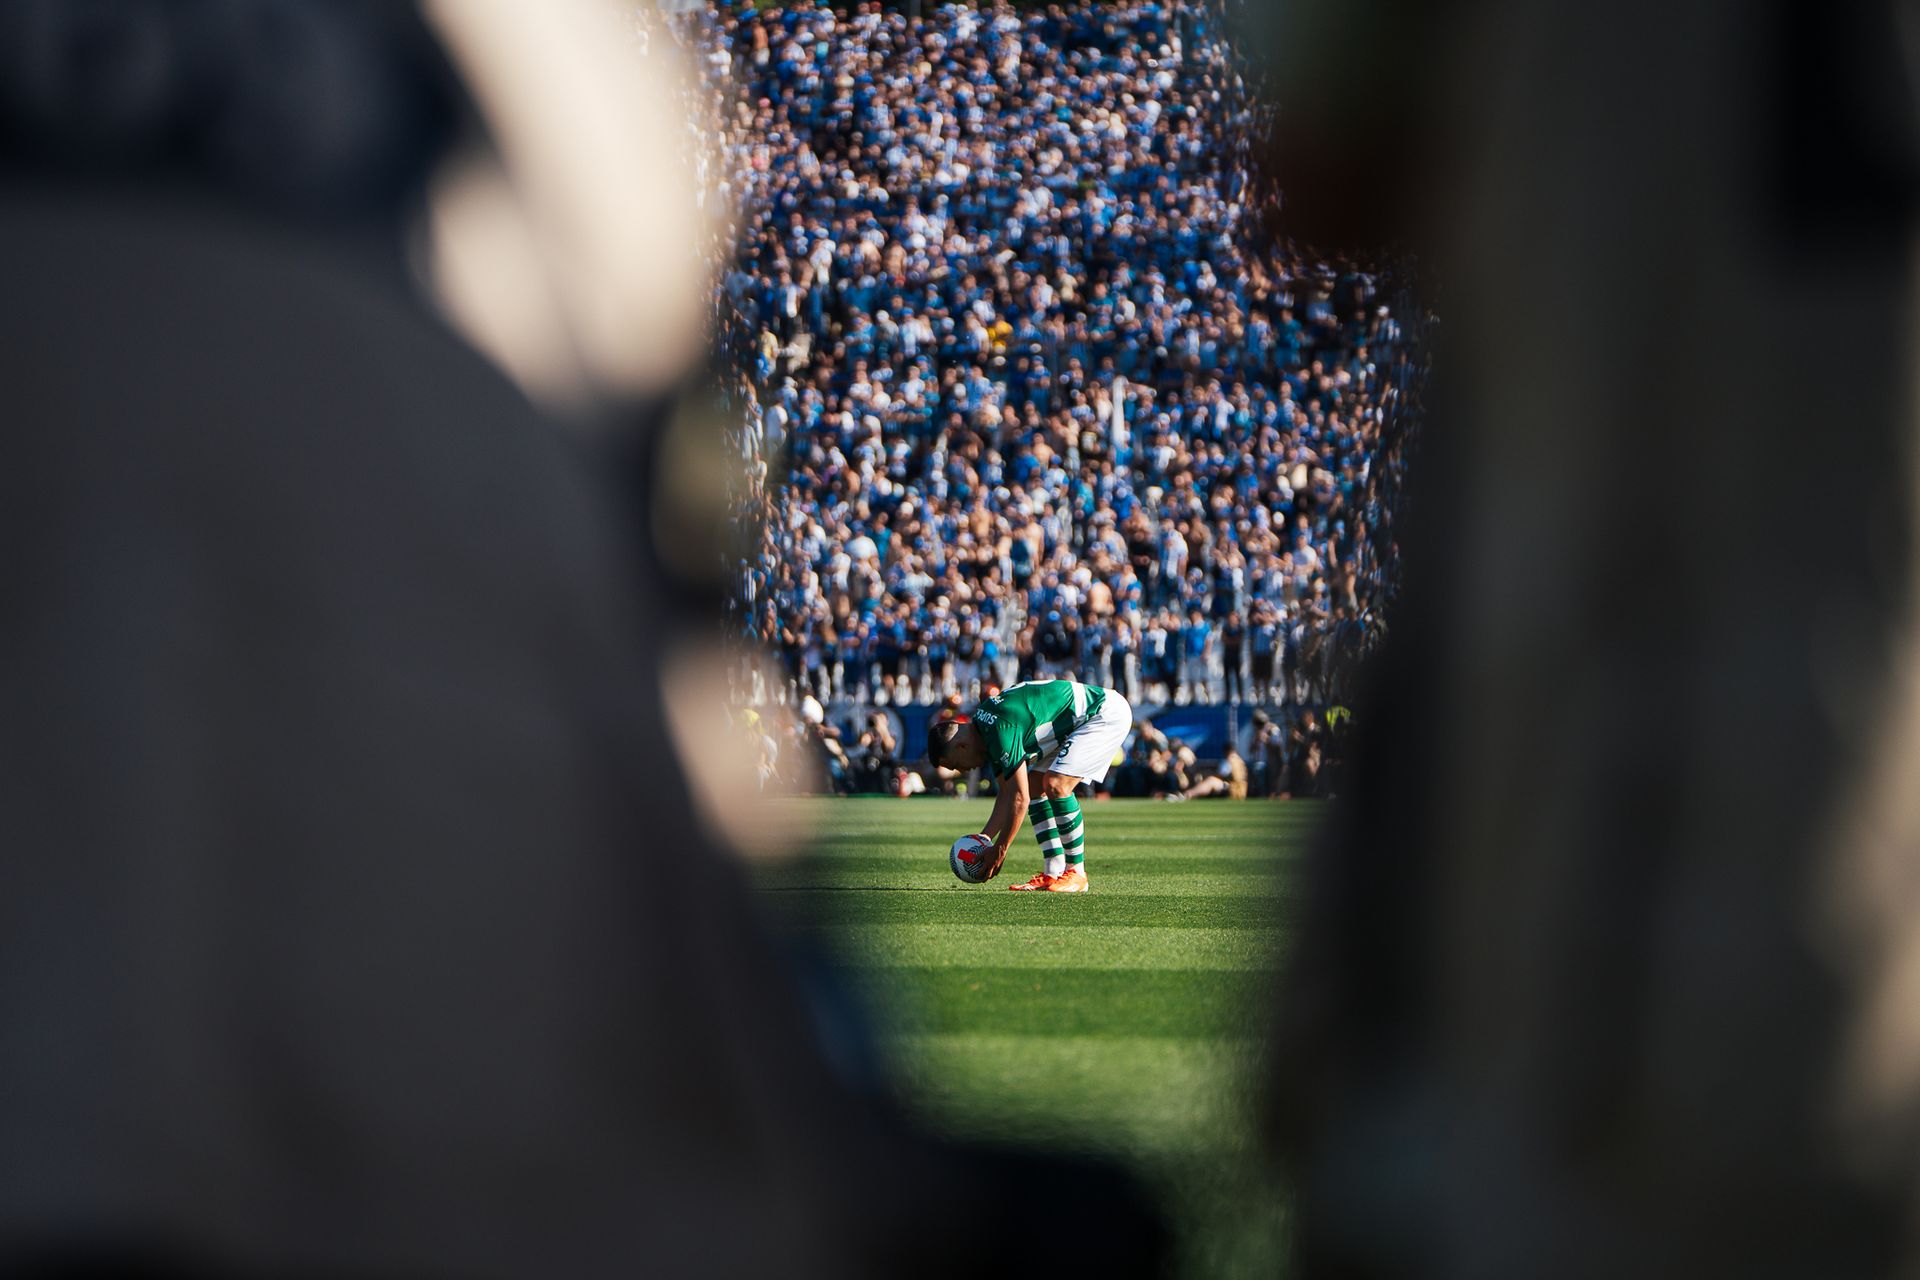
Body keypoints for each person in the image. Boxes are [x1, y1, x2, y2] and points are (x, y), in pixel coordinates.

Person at [925, 678, 1134, 893]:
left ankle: (1077, 873)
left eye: (956, 764)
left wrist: (1000, 849)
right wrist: (984, 838)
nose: (963, 770)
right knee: (1034, 786)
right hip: (1071, 722)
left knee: (1056, 784)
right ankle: (1052, 872)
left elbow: (1019, 799)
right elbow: (1007, 792)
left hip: (1103, 712)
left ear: (961, 746)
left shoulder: (1000, 729)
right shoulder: (985, 726)